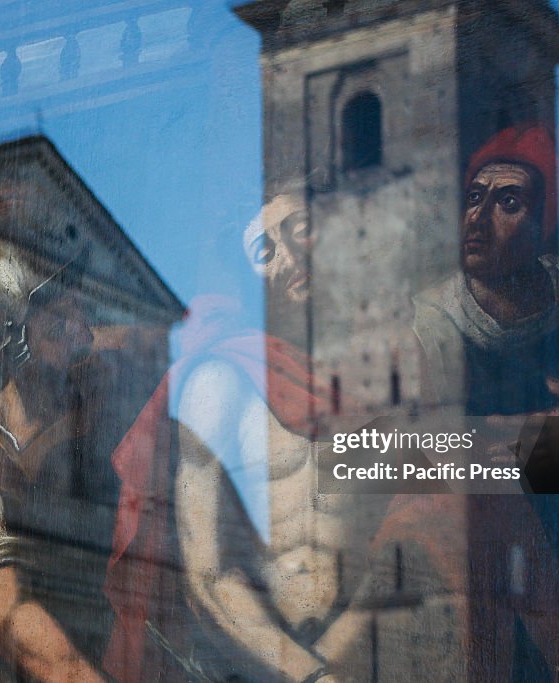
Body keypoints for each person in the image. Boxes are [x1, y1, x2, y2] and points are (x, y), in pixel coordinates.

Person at [105, 194, 397, 683]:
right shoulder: (220, 382)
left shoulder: (388, 390)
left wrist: (336, 658)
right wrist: (308, 673)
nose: (289, 257)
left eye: (300, 229)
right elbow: (207, 576)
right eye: (265, 251)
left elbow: (399, 551)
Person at [0, 190, 110, 683]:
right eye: (60, 318)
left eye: (81, 314)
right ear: (16, 331)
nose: (83, 333)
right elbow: (9, 617)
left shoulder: (90, 426)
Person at [413, 125, 559, 416]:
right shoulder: (429, 320)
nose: (477, 219)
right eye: (475, 198)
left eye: (508, 202)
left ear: (541, 225)